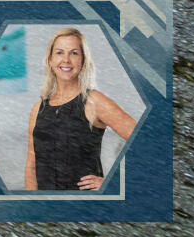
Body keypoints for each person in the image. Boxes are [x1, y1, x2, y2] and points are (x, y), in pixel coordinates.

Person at [25, 28, 137, 191]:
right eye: (59, 53)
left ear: (83, 61)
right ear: (50, 60)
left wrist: (112, 182)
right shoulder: (38, 110)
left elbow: (146, 140)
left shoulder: (94, 101)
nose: (66, 60)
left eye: (74, 53)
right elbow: (31, 166)